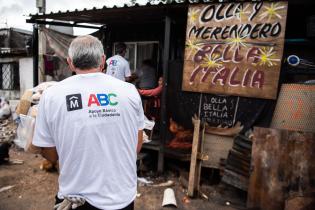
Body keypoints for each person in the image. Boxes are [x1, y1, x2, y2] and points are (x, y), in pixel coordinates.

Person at [32, 35, 144, 210]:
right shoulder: (130, 91)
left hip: (75, 200)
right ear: (102, 61)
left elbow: (50, 154)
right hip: (121, 198)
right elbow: (136, 144)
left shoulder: (52, 95)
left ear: (70, 62)